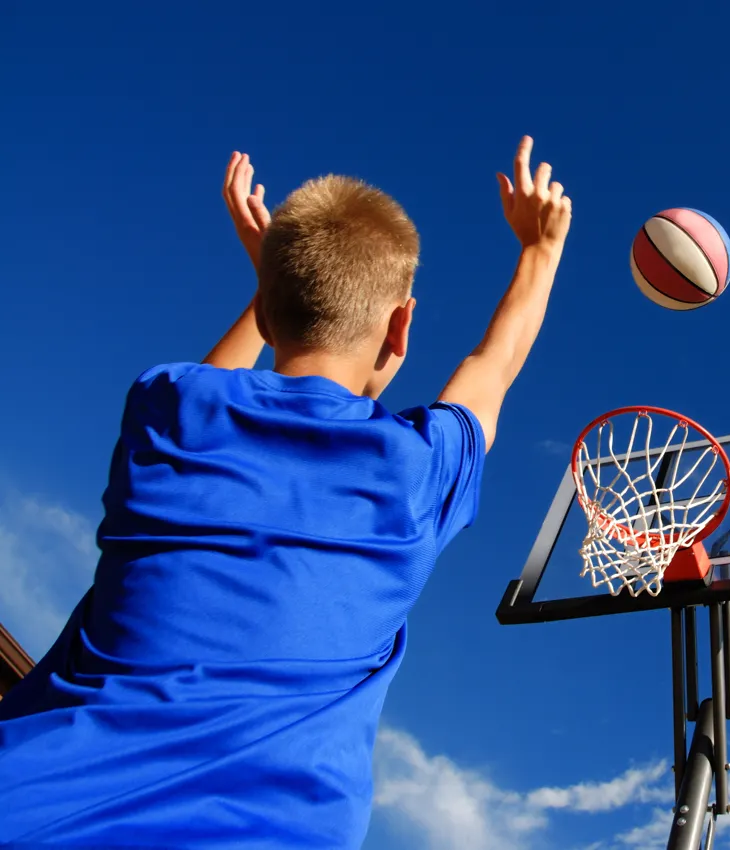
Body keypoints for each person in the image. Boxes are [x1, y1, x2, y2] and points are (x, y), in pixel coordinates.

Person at [0, 137, 571, 847]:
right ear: (402, 326)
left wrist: (273, 281)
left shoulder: (167, 409)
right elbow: (495, 363)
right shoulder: (417, 472)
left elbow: (215, 381)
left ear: (268, 315)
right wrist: (540, 250)